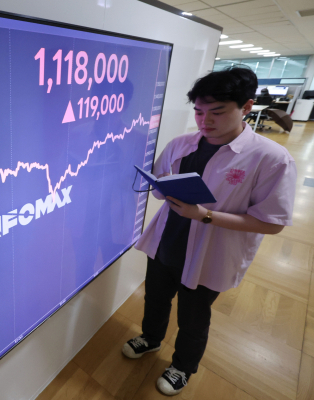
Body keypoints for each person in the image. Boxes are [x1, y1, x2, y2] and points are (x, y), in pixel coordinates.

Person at [123, 67, 297, 396]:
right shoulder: (181, 144)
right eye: (199, 112)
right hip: (167, 242)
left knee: (193, 316)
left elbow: (271, 222)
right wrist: (161, 187)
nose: (205, 121)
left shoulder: (271, 159)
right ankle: (151, 338)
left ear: (246, 107)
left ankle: (182, 366)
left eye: (217, 112)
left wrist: (205, 216)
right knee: (156, 298)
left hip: (212, 252)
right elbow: (159, 186)